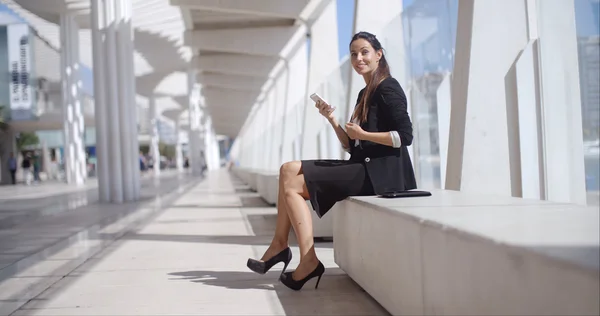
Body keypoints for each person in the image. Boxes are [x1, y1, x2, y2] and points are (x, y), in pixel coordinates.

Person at [246, 31, 416, 290]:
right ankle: (282, 246)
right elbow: (352, 144)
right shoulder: (364, 93)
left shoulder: (388, 87)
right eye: (353, 54)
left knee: (291, 182)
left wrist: (364, 134)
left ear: (379, 55)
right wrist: (332, 120)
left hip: (379, 175)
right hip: (362, 165)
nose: (358, 58)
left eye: (364, 52)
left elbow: (405, 136)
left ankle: (303, 257)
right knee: (287, 170)